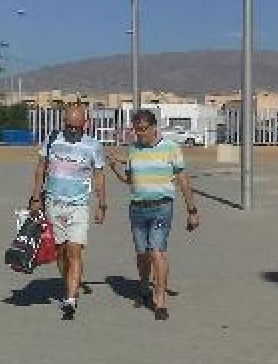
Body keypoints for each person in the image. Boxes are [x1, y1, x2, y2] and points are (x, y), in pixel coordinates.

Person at [111, 109, 200, 321]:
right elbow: (131, 182)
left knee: (157, 252)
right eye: (136, 130)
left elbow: (183, 180)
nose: (139, 134)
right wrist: (115, 170)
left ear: (153, 127)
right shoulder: (133, 150)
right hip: (137, 208)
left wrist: (192, 211)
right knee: (142, 254)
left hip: (162, 207)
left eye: (142, 130)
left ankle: (160, 301)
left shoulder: (171, 148)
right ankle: (144, 287)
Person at [28, 103, 107, 320]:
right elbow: (40, 168)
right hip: (54, 202)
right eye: (69, 126)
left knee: (75, 249)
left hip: (79, 204)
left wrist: (102, 204)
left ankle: (71, 299)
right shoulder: (52, 139)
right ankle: (69, 282)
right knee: (60, 251)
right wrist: (36, 197)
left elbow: (98, 176)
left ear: (86, 124)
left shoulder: (93, 146)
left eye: (77, 127)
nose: (72, 130)